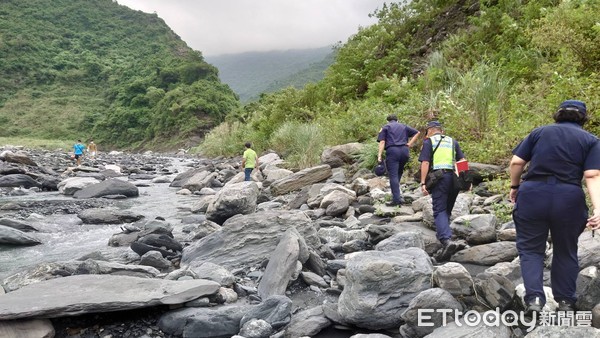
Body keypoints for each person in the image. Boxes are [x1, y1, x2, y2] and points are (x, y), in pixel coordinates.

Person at [509, 100, 600, 315]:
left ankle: (535, 300)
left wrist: (514, 186)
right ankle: (566, 302)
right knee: (565, 250)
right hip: (568, 198)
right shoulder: (591, 140)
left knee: (531, 249)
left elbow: (516, 163)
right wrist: (598, 209)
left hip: (533, 194)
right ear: (583, 118)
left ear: (557, 115)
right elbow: (592, 175)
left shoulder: (539, 132)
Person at [418, 121, 466, 261]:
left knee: (439, 210)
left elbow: (425, 162)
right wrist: (466, 181)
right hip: (454, 178)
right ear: (441, 130)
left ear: (431, 131)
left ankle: (446, 240)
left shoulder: (429, 142)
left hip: (439, 178)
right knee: (447, 210)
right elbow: (462, 160)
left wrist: (423, 183)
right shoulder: (452, 141)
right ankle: (446, 235)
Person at [377, 114, 420, 206]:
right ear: (398, 120)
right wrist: (409, 144)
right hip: (404, 151)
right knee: (398, 173)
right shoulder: (403, 126)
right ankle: (397, 194)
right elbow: (417, 132)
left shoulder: (385, 127)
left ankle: (396, 200)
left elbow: (382, 141)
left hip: (393, 151)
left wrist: (379, 155)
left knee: (393, 175)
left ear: (388, 121)